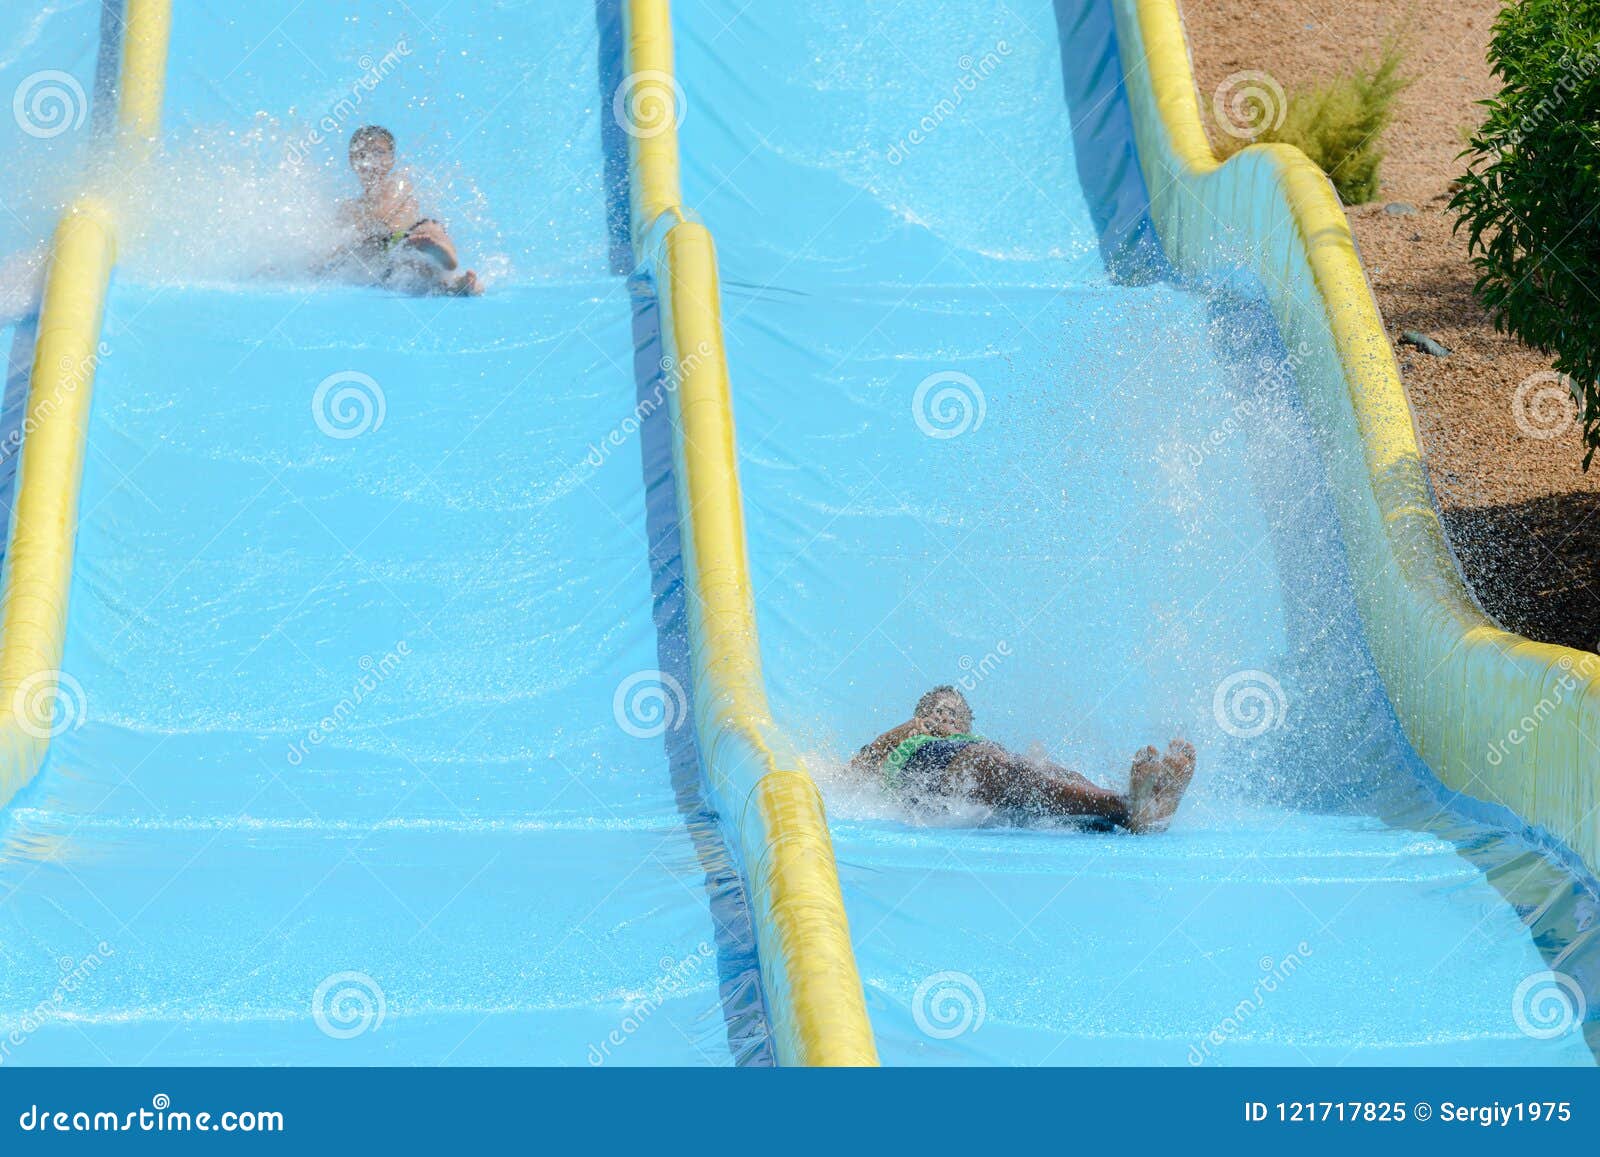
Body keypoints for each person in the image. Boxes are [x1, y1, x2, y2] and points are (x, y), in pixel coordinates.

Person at [849, 685, 1195, 833]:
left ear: (969, 725)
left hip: (982, 771)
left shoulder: (977, 742)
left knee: (1046, 772)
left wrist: (1038, 758)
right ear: (922, 716)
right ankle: (1127, 805)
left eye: (956, 716)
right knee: (998, 765)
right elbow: (858, 768)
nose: (947, 720)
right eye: (939, 712)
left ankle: (1140, 811)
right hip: (933, 767)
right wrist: (906, 728)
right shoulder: (913, 738)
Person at [336, 125, 480, 296]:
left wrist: (357, 225)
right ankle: (461, 284)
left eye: (379, 153)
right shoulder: (349, 206)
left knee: (431, 228)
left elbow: (383, 215)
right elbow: (340, 245)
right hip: (388, 254)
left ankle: (446, 256)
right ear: (352, 162)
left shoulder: (398, 183)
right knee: (422, 277)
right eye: (362, 154)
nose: (371, 160)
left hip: (410, 238)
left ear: (392, 160)